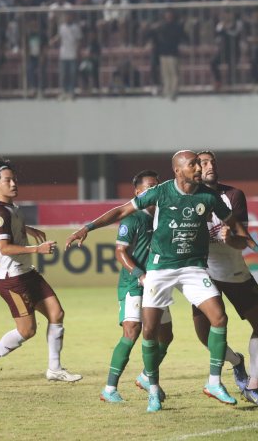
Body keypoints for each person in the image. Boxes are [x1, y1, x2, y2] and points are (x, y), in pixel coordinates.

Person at [66, 151, 258, 413]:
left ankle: (213, 382)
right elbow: (122, 210)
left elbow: (234, 223)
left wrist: (257, 248)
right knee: (150, 331)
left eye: (199, 164)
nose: (198, 168)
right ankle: (152, 390)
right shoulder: (161, 192)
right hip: (160, 269)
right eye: (193, 164)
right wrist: (87, 227)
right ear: (178, 170)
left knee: (219, 318)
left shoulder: (208, 195)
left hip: (193, 268)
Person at [0, 157, 82, 389]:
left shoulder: (9, 208)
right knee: (27, 331)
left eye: (14, 179)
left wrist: (27, 229)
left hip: (27, 273)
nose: (13, 184)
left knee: (56, 313)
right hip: (12, 281)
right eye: (7, 180)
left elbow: (3, 230)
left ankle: (54, 369)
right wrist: (37, 249)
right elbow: (3, 247)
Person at [193, 151, 258, 407]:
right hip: (202, 273)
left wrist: (252, 248)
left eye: (213, 162)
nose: (210, 166)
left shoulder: (233, 196)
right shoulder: (186, 199)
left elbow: (241, 237)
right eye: (204, 162)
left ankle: (253, 386)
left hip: (233, 270)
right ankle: (236, 361)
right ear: (193, 169)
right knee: (203, 334)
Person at [100, 170, 174, 404]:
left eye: (157, 186)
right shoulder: (133, 218)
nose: (155, 190)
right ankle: (109, 388)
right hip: (134, 283)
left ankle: (145, 377)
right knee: (132, 331)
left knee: (166, 335)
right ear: (138, 192)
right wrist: (139, 274)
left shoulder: (162, 216)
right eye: (150, 187)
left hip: (157, 285)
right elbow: (120, 252)